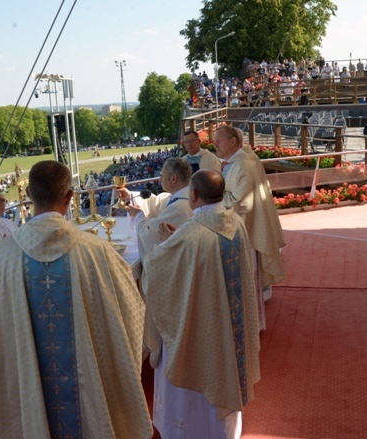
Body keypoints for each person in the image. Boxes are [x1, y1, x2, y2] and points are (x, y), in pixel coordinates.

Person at [0, 161, 152, 439]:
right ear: (69, 196)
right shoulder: (96, 251)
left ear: (29, 194)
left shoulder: (2, 258)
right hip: (91, 393)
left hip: (33, 391)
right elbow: (131, 313)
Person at [142, 170, 260, 438]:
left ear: (193, 195)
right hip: (230, 330)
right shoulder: (235, 222)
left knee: (191, 378)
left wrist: (165, 243)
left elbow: (159, 272)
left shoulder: (191, 235)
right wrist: (175, 241)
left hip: (201, 333)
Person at [213, 124, 286, 330]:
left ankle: (250, 325)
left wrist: (210, 199)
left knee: (246, 282)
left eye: (219, 140)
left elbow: (240, 202)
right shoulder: (239, 161)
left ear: (233, 141)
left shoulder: (242, 165)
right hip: (244, 229)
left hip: (243, 231)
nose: (215, 144)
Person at [117, 157, 194, 256]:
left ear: (173, 178)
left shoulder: (180, 207)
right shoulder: (184, 196)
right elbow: (158, 203)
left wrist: (139, 216)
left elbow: (150, 235)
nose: (160, 179)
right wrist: (130, 196)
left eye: (162, 175)